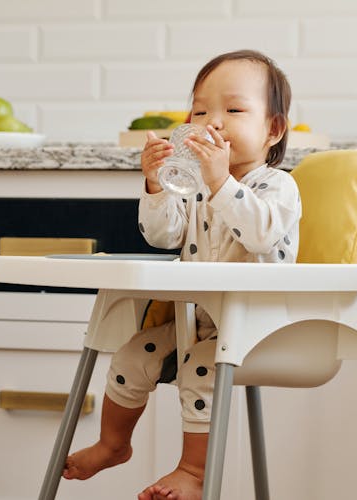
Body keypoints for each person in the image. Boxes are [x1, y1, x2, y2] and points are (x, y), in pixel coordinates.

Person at [62, 49, 301, 500]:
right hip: (201, 318)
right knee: (133, 354)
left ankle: (193, 471)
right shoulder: (195, 188)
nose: (213, 122)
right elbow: (162, 234)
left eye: (232, 110)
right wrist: (156, 185)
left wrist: (221, 183)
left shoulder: (276, 185)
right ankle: (114, 444)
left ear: (273, 129)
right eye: (199, 110)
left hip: (259, 323)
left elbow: (263, 235)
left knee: (199, 365)